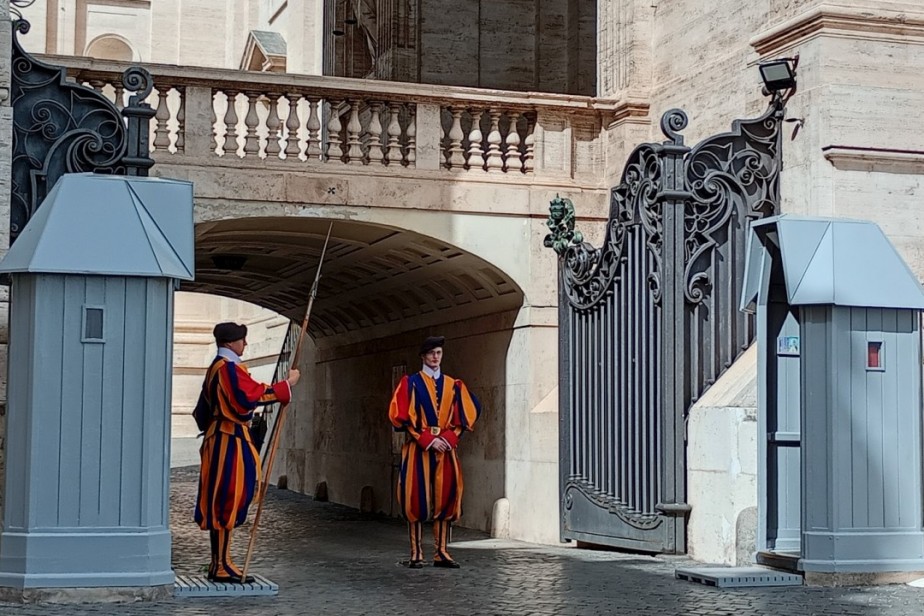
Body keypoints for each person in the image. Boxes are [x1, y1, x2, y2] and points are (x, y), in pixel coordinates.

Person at [193, 321, 300, 583]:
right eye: (242, 339)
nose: (245, 344)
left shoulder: (221, 368)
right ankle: (220, 564)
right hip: (227, 439)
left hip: (224, 436)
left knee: (226, 497)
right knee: (227, 497)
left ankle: (221, 560)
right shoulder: (226, 369)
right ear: (231, 343)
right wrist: (285, 386)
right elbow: (248, 396)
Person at [388, 335, 481, 568]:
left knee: (447, 497)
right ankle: (416, 552)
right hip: (419, 447)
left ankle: (441, 552)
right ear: (423, 356)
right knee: (415, 498)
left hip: (446, 449)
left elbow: (464, 417)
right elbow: (402, 418)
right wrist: (428, 440)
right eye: (431, 353)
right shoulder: (410, 383)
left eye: (438, 353)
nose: (435, 357)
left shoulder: (454, 385)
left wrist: (448, 439)